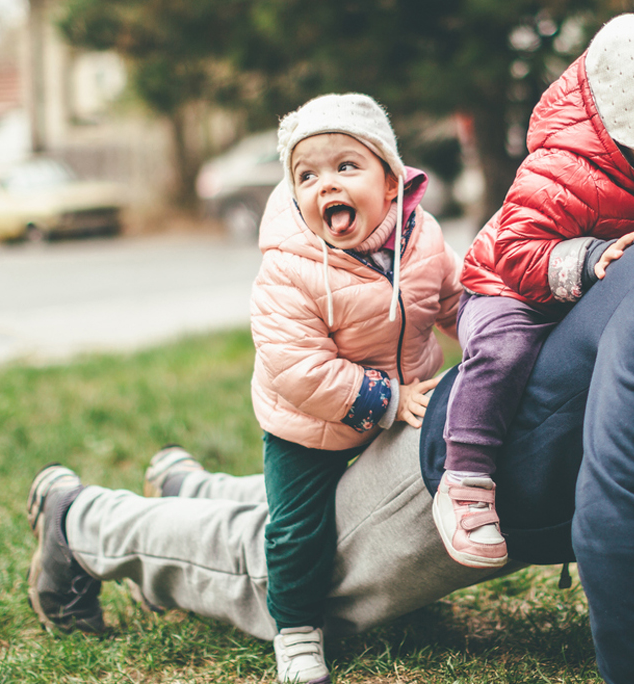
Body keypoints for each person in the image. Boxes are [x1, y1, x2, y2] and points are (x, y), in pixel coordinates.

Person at [25, 123, 634, 684]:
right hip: (462, 480)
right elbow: (613, 518)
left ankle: (195, 485)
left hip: (519, 481)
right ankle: (83, 523)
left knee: (291, 526)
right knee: (282, 584)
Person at [436, 9, 634, 570]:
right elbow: (515, 252)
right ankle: (466, 476)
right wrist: (592, 259)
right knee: (504, 352)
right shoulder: (557, 171)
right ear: (630, 119)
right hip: (510, 289)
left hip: (591, 290)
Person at [215, 92, 462, 683]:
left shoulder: (422, 241)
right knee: (300, 526)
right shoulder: (288, 267)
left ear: (392, 179)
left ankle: (405, 583)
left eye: (346, 166)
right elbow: (296, 367)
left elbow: (455, 299)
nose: (326, 184)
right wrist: (388, 399)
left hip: (404, 395)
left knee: (405, 498)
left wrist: (489, 338)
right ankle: (297, 628)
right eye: (307, 174)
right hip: (310, 421)